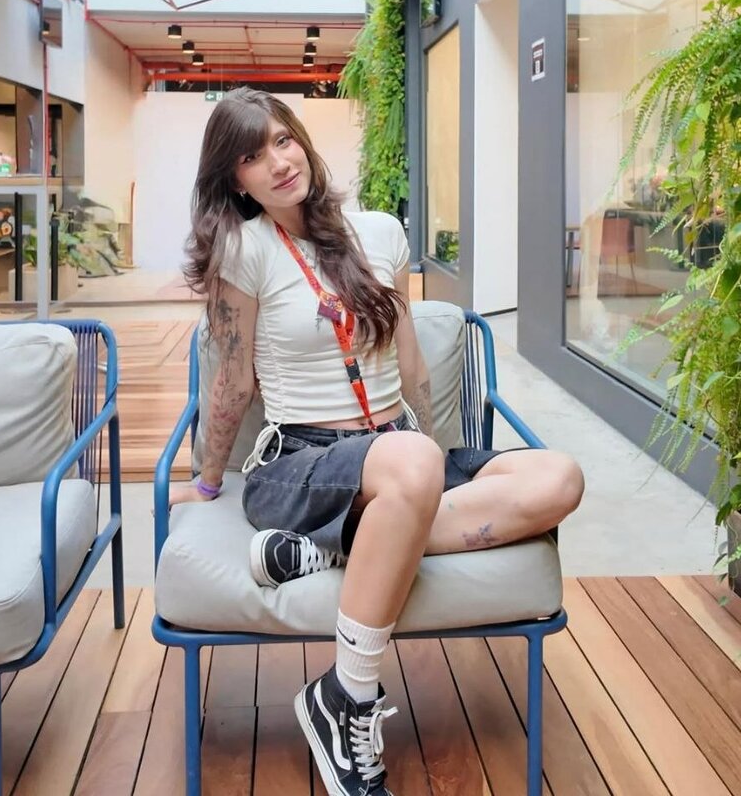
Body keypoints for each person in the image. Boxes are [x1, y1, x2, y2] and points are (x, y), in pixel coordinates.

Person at [171, 87, 584, 796]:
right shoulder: (245, 248)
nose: (278, 162)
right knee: (409, 461)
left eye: (282, 140)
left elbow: (410, 361)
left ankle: (337, 547)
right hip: (302, 463)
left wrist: (441, 458)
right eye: (252, 156)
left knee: (559, 477)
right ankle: (348, 696)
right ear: (234, 180)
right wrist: (210, 481)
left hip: (398, 453)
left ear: (302, 141)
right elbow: (233, 380)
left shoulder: (380, 232)